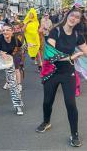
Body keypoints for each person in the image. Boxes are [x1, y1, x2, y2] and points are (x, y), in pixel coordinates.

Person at [37, 8, 87, 147]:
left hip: (68, 74)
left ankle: (74, 134)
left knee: (71, 104)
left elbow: (85, 51)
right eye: (72, 15)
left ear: (79, 21)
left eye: (77, 17)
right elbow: (51, 55)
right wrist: (72, 57)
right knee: (47, 101)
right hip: (52, 73)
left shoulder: (78, 35)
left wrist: (81, 54)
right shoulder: (56, 31)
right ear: (67, 15)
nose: (74, 19)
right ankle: (46, 122)